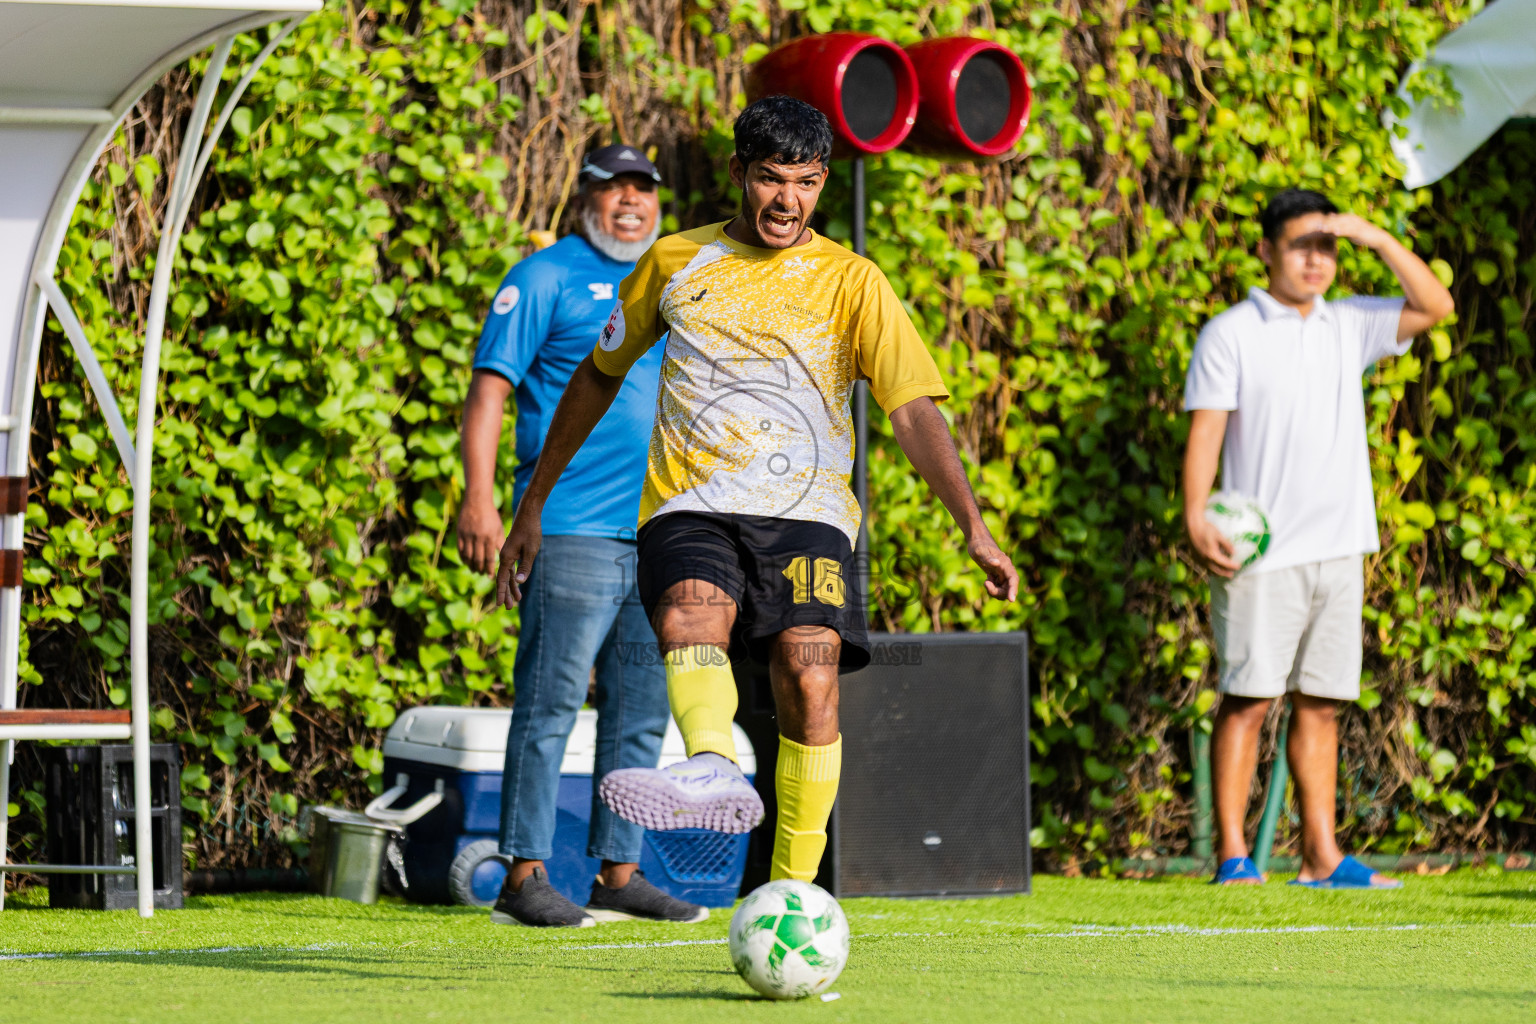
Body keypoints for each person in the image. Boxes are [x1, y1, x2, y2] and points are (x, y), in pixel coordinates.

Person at [494, 96, 1020, 885]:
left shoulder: (854, 282)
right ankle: (710, 762)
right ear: (740, 172)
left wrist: (972, 526)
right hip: (692, 502)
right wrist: (533, 502)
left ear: (823, 182)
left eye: (805, 183)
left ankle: (792, 893)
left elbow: (912, 411)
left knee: (810, 678)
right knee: (689, 614)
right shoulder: (674, 261)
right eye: (772, 178)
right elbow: (597, 377)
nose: (787, 201)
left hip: (809, 515)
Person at [458, 144, 707, 927]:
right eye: (613, 189)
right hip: (567, 526)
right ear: (585, 201)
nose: (631, 202)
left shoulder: (673, 280)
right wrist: (480, 499)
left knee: (642, 710)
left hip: (660, 529)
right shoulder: (545, 277)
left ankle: (618, 873)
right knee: (551, 702)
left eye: (644, 189)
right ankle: (523, 876)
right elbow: (490, 391)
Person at [1183, 188, 1454, 888]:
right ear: (1266, 250)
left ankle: (1321, 858)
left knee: (1322, 704)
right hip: (1260, 554)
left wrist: (1376, 238)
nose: (1316, 260)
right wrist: (1195, 515)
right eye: (1301, 245)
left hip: (1339, 549)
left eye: (1327, 248)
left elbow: (1435, 305)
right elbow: (1207, 431)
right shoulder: (1230, 333)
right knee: (1249, 699)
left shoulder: (1349, 324)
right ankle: (1234, 859)